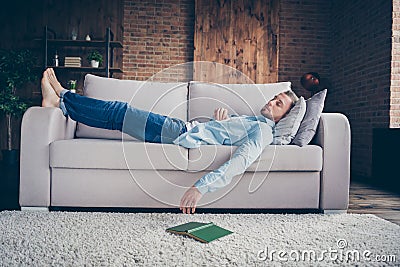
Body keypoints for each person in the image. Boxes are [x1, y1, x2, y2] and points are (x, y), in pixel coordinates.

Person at [41, 68, 298, 214]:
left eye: (279, 104)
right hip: (182, 129)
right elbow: (217, 136)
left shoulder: (265, 132)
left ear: (284, 117)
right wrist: (219, 122)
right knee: (117, 119)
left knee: (119, 113)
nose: (271, 102)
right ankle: (62, 104)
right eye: (274, 97)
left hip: (178, 132)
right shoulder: (255, 122)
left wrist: (201, 187)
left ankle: (63, 97)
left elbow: (240, 161)